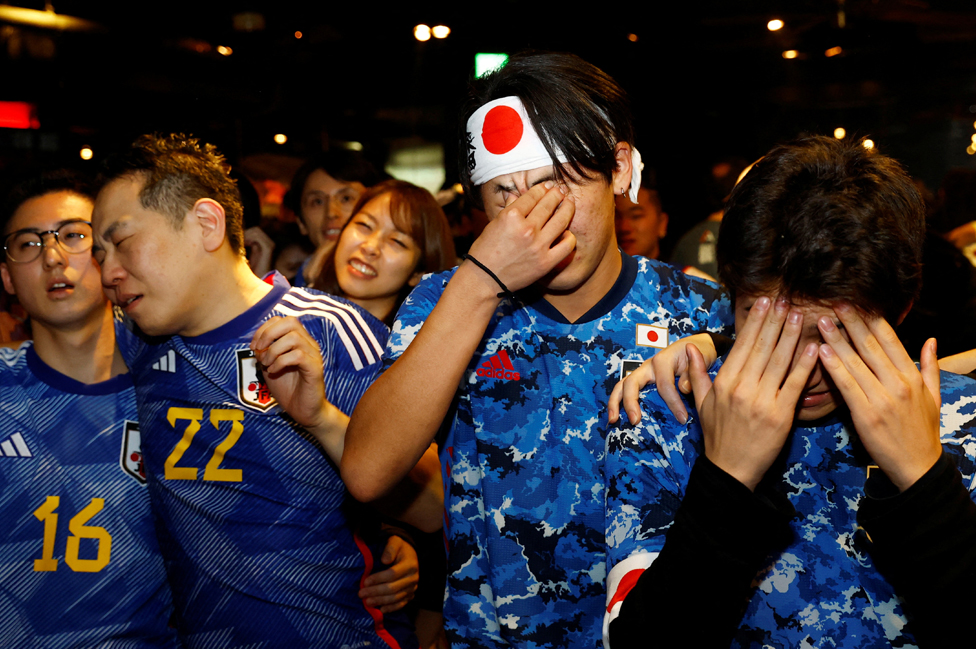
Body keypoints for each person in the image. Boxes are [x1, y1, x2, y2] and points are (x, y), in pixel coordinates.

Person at [342, 52, 733, 648]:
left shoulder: (698, 311)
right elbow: (369, 471)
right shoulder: (443, 304)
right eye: (504, 194)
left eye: (557, 183)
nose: (530, 218)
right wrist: (479, 282)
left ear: (619, 169)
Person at [604, 136, 976, 648]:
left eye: (834, 336)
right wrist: (726, 481)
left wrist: (923, 481)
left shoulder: (963, 422)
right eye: (770, 332)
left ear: (901, 311)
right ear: (729, 296)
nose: (802, 369)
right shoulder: (663, 417)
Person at [90, 134, 438, 649]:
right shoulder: (136, 342)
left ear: (207, 224)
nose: (109, 272)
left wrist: (320, 417)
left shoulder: (331, 330)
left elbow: (434, 508)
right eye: (99, 254)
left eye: (121, 243)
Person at [0, 170, 180, 647]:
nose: (54, 257)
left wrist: (393, 539)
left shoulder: (180, 386)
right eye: (28, 244)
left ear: (108, 256)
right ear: (6, 277)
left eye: (74, 236)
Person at [314, 178, 456, 326]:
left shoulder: (410, 348)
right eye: (365, 225)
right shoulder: (297, 310)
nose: (370, 247)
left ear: (418, 274)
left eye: (397, 241)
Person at [286, 150, 383, 287]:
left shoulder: (412, 300)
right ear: (301, 223)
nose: (331, 213)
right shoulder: (283, 298)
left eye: (346, 198)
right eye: (317, 202)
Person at [613, 171, 668, 259]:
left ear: (662, 223)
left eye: (636, 216)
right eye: (616, 217)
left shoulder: (682, 272)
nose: (624, 227)